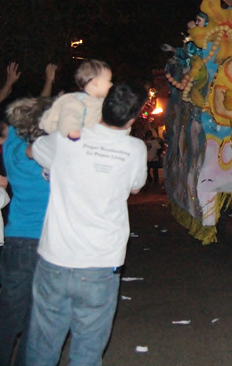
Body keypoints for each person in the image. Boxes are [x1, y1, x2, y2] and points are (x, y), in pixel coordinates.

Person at [26, 83, 147, 366]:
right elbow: (136, 186)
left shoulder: (67, 138)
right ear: (132, 118)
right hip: (100, 264)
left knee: (42, 348)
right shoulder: (135, 149)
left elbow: (33, 151)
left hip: (55, 259)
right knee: (88, 352)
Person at [0, 97, 53, 366]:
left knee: (8, 312)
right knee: (36, 316)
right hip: (47, 241)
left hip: (16, 238)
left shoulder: (9, 145)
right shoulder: (48, 153)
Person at [39, 59, 113, 140]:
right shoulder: (77, 101)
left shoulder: (103, 103)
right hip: (75, 143)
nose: (111, 84)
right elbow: (69, 115)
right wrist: (71, 129)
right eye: (109, 81)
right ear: (95, 82)